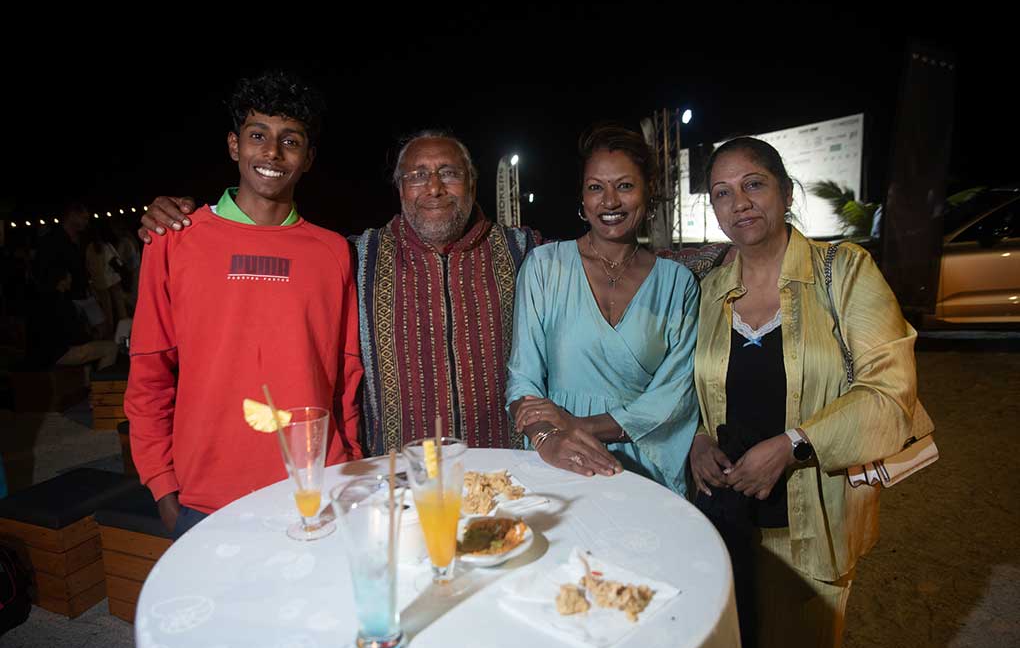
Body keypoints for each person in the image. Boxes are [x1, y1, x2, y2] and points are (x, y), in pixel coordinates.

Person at [138, 131, 725, 464]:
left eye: (449, 173)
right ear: (399, 188)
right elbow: (278, 263)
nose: (434, 188)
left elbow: (610, 256)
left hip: (512, 473)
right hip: (399, 481)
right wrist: (184, 220)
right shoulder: (355, 256)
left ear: (472, 184)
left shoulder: (523, 251)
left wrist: (731, 256)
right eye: (418, 175)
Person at [689, 137, 921, 648]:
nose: (740, 203)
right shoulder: (709, 291)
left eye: (754, 184)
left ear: (787, 192)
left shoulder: (844, 271)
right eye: (723, 193)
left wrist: (792, 444)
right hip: (727, 519)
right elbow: (704, 391)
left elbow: (889, 391)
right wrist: (699, 439)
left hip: (812, 522)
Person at [124, 71, 363, 539]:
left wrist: (347, 464)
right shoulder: (175, 239)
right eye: (258, 136)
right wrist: (162, 486)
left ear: (308, 158)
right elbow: (149, 374)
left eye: (290, 141)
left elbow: (345, 375)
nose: (272, 153)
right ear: (234, 145)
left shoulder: (333, 251)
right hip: (206, 500)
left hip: (313, 489)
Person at [506, 125, 700, 492]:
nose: (610, 202)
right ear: (582, 196)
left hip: (643, 466)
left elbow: (674, 397)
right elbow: (522, 379)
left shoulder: (678, 284)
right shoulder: (545, 267)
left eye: (624, 186)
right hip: (561, 459)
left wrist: (581, 424)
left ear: (649, 191)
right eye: (596, 187)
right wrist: (549, 438)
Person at [26, 267, 118, 371]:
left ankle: (89, 380)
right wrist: (93, 336)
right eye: (68, 277)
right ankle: (101, 381)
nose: (71, 279)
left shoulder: (41, 299)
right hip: (57, 353)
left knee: (90, 350)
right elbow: (73, 334)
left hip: (40, 353)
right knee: (111, 347)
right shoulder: (62, 302)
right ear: (62, 281)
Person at [84, 223, 128, 339]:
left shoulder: (89, 248)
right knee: (120, 306)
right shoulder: (106, 246)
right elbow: (116, 261)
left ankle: (110, 332)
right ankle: (125, 331)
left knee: (106, 310)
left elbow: (88, 265)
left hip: (99, 281)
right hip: (112, 279)